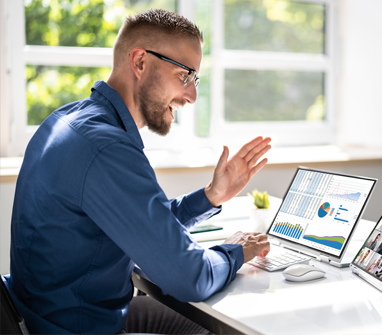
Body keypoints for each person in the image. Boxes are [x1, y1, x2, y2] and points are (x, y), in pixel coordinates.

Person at [8, 9, 272, 335]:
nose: (191, 96)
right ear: (140, 62)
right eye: (184, 76)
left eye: (195, 79)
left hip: (49, 314)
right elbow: (190, 278)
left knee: (199, 321)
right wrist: (237, 251)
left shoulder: (69, 121)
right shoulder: (106, 149)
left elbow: (145, 226)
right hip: (74, 327)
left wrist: (210, 197)